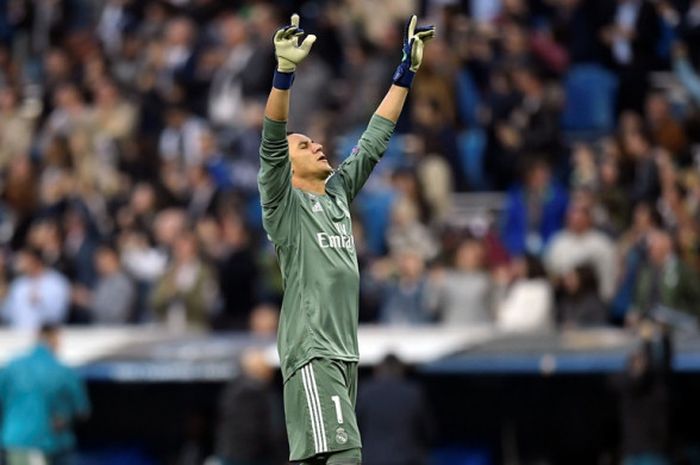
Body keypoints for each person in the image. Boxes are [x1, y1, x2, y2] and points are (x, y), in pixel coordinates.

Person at [257, 13, 435, 465]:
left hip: (344, 354)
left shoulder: (336, 195)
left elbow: (375, 139)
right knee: (346, 457)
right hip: (313, 351)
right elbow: (272, 143)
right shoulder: (285, 207)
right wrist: (284, 75)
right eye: (303, 146)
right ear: (289, 167)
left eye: (314, 141)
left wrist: (405, 74)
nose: (316, 145)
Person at [0, 324, 91, 465]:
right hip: (44, 445)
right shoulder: (63, 371)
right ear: (55, 340)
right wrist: (65, 416)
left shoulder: (12, 366)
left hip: (15, 442)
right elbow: (82, 410)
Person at [356, 355, 434, 465]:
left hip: (371, 459)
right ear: (401, 371)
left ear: (377, 370)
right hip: (407, 459)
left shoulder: (365, 391)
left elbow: (356, 427)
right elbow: (428, 431)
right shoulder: (413, 393)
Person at [1, 247, 71, 330]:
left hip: (45, 337)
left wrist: (40, 302)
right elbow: (8, 314)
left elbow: (60, 315)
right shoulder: (18, 284)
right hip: (18, 336)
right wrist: (2, 299)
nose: (20, 264)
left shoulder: (57, 282)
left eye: (24, 260)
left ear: (35, 261)